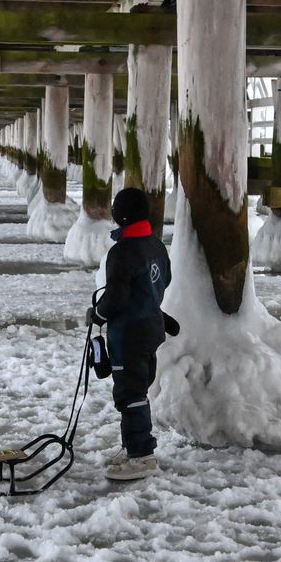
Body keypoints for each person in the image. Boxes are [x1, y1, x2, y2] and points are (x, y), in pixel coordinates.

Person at [91, 185, 172, 482]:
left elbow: (116, 299)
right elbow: (165, 281)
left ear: (120, 216)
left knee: (130, 393)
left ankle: (141, 456)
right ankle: (134, 446)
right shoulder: (157, 245)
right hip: (152, 329)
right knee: (138, 389)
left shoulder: (122, 252)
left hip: (129, 335)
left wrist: (98, 314)